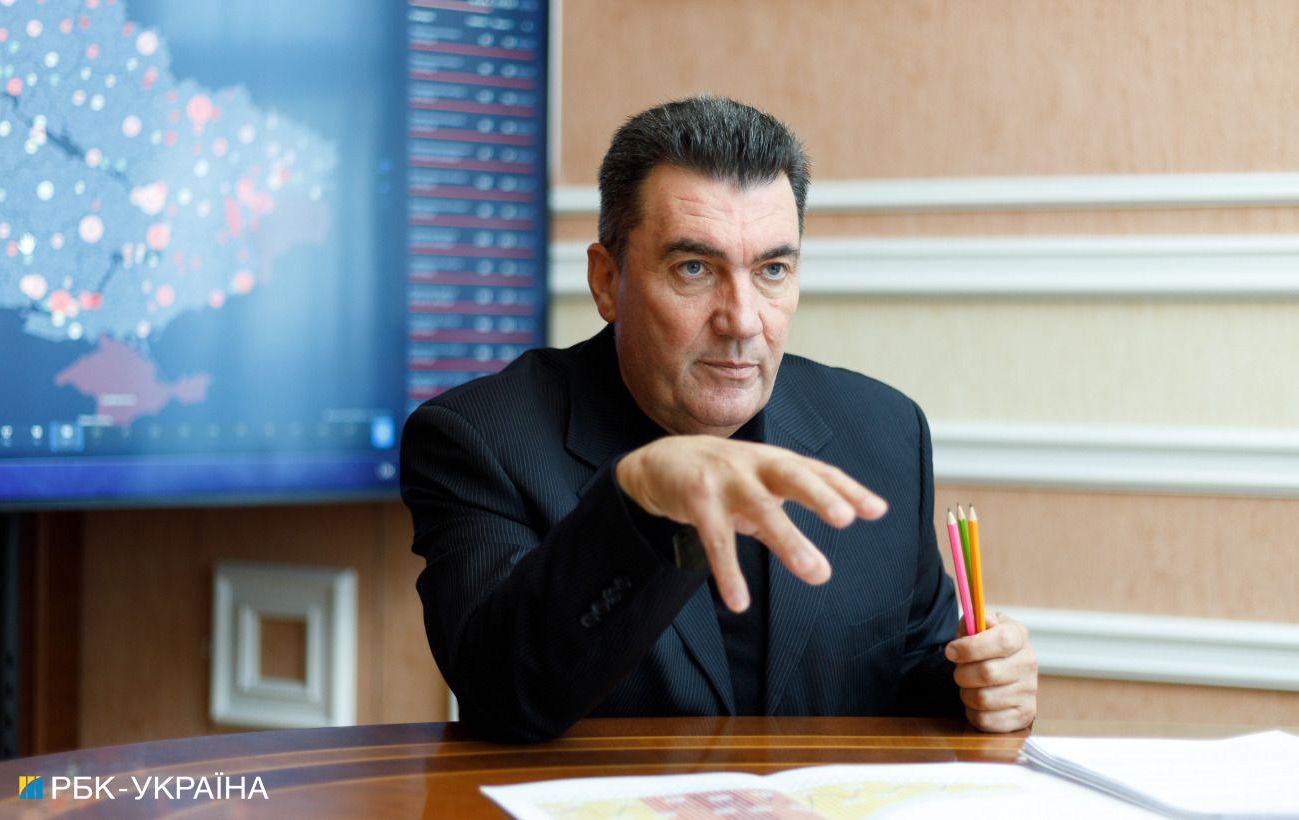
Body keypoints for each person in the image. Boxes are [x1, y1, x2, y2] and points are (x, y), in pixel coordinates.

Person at [400, 95, 1037, 743]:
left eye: (772, 270)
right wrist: (640, 504)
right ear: (606, 280)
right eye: (694, 269)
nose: (742, 321)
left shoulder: (882, 429)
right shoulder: (479, 438)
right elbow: (504, 695)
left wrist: (976, 684)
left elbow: (908, 672)